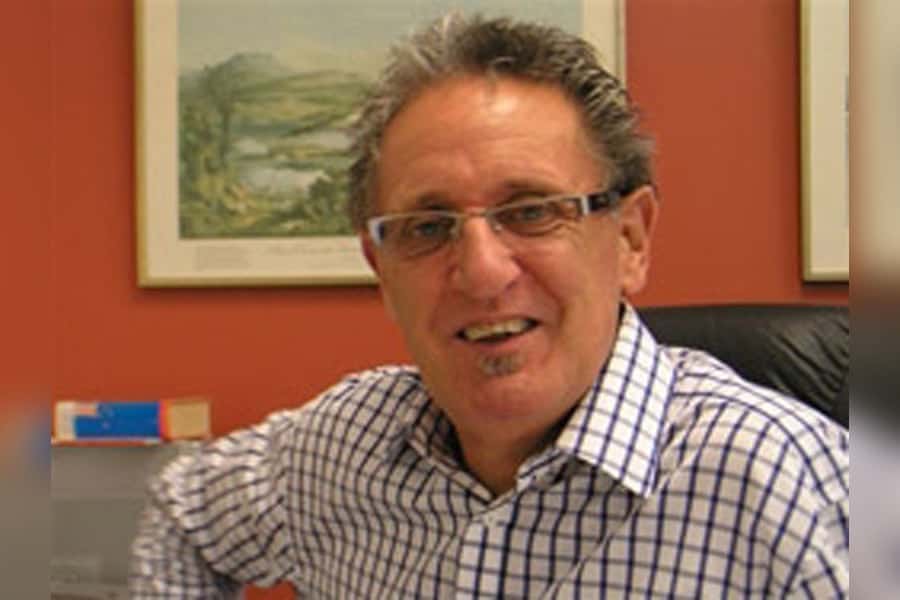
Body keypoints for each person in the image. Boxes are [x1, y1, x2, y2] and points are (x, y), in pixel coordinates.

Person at [131, 13, 848, 598]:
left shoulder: (794, 489)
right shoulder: (336, 444)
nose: (480, 272)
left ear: (630, 240)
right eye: (426, 227)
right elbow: (180, 519)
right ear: (381, 270)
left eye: (531, 211)